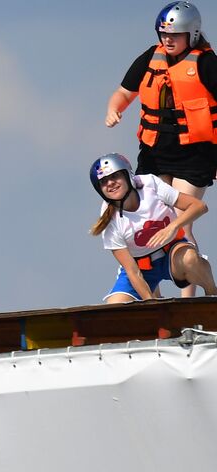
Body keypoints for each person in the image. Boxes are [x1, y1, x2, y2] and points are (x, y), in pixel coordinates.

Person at [105, 2, 217, 290]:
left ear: (192, 34)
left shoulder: (206, 64)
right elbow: (123, 92)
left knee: (181, 222)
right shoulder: (150, 58)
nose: (168, 39)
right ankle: (149, 294)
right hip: (154, 153)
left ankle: (189, 299)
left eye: (175, 35)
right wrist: (114, 109)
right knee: (146, 221)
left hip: (194, 154)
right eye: (163, 34)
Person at [90, 152, 217, 303]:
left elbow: (199, 206)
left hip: (172, 251)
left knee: (191, 259)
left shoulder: (149, 184)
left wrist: (173, 227)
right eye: (103, 181)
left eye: (114, 176)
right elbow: (132, 270)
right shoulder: (108, 219)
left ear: (127, 175)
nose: (110, 183)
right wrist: (151, 303)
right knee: (114, 307)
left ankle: (213, 296)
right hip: (141, 268)